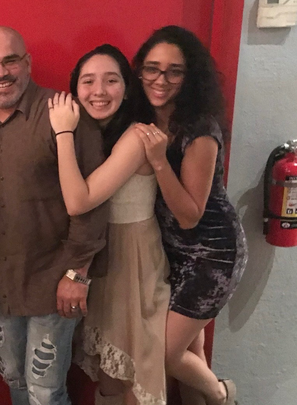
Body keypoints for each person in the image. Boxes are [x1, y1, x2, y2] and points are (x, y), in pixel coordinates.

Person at [0, 26, 109, 405]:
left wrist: (78, 274)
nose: (0, 73)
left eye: (10, 61)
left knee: (45, 392)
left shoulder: (63, 114)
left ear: (27, 63)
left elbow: (93, 202)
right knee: (14, 377)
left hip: (54, 282)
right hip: (1, 288)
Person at [47, 44, 170, 405]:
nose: (98, 91)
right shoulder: (95, 135)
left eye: (111, 80)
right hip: (102, 256)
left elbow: (78, 200)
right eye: (88, 81)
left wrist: (62, 132)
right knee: (109, 373)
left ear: (127, 88)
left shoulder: (136, 136)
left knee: (135, 371)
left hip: (132, 260)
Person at [132, 25, 246, 405]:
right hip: (175, 254)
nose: (160, 80)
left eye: (174, 71)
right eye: (152, 68)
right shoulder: (146, 117)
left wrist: (159, 161)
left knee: (166, 353)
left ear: (189, 76)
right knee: (190, 354)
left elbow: (190, 215)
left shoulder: (200, 129)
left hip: (213, 255)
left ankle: (222, 394)